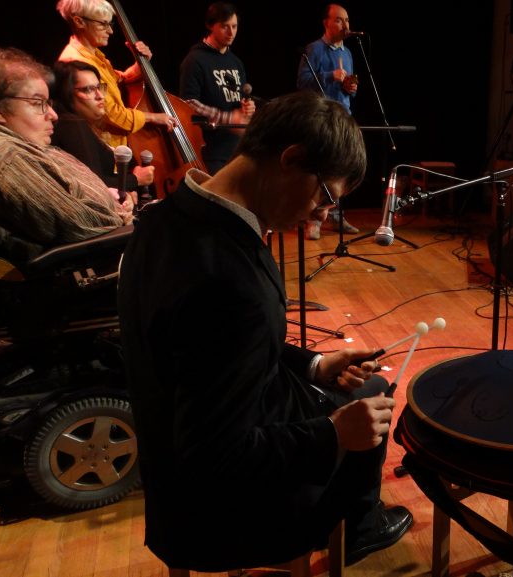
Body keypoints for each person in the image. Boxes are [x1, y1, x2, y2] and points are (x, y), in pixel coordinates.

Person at [117, 90, 413, 572]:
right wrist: (332, 436)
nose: (323, 213)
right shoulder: (231, 280)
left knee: (363, 387)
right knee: (371, 404)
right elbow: (215, 458)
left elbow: (204, 352)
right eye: (326, 195)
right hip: (221, 517)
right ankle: (360, 524)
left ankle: (363, 520)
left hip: (165, 473)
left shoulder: (162, 221)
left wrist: (314, 363)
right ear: (291, 159)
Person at [0, 46, 134, 262]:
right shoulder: (10, 157)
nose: (53, 114)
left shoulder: (18, 143)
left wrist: (104, 195)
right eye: (38, 103)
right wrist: (117, 210)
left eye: (48, 103)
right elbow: (82, 224)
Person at [56, 0, 176, 149]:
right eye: (103, 24)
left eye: (110, 24)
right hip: (101, 148)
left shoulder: (93, 54)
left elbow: (119, 79)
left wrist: (140, 64)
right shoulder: (76, 63)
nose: (110, 31)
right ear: (79, 21)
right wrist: (152, 117)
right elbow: (110, 114)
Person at [296, 3, 360, 240]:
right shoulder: (314, 49)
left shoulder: (348, 53)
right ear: (326, 23)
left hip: (343, 116)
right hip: (321, 118)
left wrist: (350, 87)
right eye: (339, 20)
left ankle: (336, 215)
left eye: (347, 21)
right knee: (320, 169)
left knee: (343, 170)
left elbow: (348, 91)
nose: (346, 25)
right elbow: (302, 82)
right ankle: (313, 220)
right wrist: (329, 76)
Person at [51, 60, 154, 192]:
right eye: (88, 89)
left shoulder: (75, 123)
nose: (100, 96)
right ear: (67, 94)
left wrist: (126, 191)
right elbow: (94, 183)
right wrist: (135, 179)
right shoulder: (72, 125)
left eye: (99, 88)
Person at [179, 1, 255, 174]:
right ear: (210, 26)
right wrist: (227, 118)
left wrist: (247, 108)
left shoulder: (236, 62)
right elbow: (188, 104)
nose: (231, 33)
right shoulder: (195, 60)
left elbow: (238, 102)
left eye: (234, 26)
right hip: (210, 151)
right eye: (224, 27)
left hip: (236, 150)